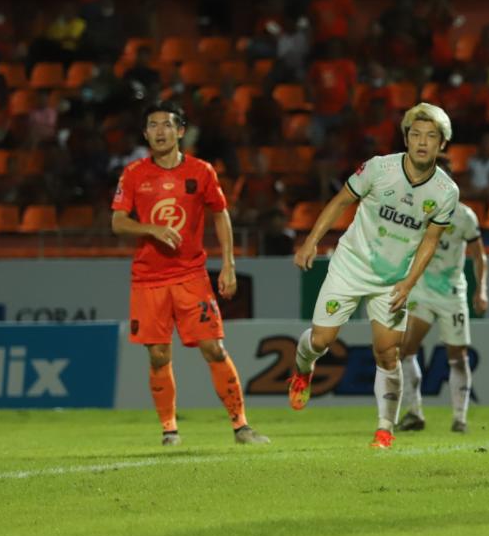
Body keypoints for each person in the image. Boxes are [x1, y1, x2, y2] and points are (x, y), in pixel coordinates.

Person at [286, 103, 461, 449]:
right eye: (416, 135)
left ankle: (385, 430)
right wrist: (311, 242)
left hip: (391, 280)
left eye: (431, 136)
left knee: (387, 353)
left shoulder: (446, 192)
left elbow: (430, 241)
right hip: (350, 265)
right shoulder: (380, 168)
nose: (422, 142)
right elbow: (339, 202)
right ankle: (303, 369)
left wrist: (408, 283)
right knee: (321, 341)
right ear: (406, 138)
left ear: (442, 144)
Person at [110, 101, 267, 446]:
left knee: (213, 347)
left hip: (191, 276)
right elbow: (118, 221)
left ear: (180, 131)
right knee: (158, 355)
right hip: (148, 279)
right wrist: (151, 228)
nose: (159, 132)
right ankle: (169, 430)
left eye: (166, 125)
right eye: (152, 126)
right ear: (145, 133)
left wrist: (229, 263)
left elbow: (220, 214)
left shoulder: (202, 172)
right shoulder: (134, 173)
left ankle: (241, 426)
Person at [396, 203, 487, 434]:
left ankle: (460, 419)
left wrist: (481, 289)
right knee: (405, 349)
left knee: (458, 356)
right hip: (422, 290)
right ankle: (415, 413)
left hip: (451, 293)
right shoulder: (417, 208)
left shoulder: (465, 216)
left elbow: (479, 255)